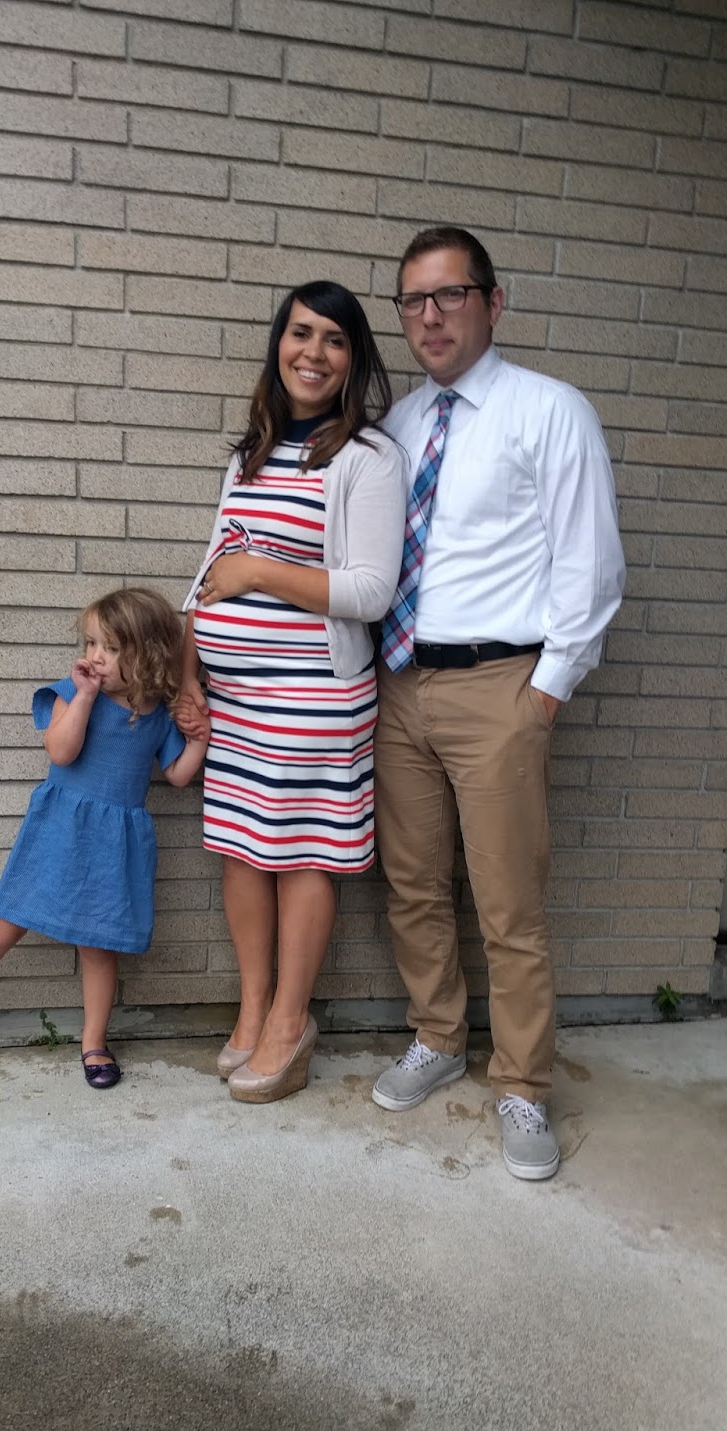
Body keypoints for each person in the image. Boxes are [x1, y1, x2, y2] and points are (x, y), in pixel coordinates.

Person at [372, 226, 626, 1180]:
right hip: (400, 684)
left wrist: (543, 696)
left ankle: (523, 1084)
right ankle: (438, 1036)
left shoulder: (549, 412)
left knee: (509, 903)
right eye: (414, 300)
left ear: (493, 301)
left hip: (499, 688)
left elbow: (591, 564)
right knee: (412, 883)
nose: (430, 316)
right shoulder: (399, 426)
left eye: (450, 294)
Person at [177, 280, 407, 1104]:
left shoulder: (368, 459)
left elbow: (371, 591)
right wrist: (189, 672)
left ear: (354, 360)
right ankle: (251, 1009)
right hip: (236, 702)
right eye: (300, 333)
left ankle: (289, 1019)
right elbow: (212, 569)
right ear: (279, 343)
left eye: (334, 339)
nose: (313, 352)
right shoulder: (251, 453)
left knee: (303, 852)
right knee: (242, 848)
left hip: (314, 697)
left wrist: (261, 572)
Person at [0, 588, 208, 1088]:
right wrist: (84, 697)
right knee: (7, 921)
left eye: (111, 648)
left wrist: (200, 740)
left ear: (149, 654)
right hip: (60, 828)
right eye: (91, 643)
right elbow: (60, 751)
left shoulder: (157, 714)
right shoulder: (72, 693)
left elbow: (179, 776)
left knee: (98, 946)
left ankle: (94, 1040)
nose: (95, 656)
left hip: (112, 844)